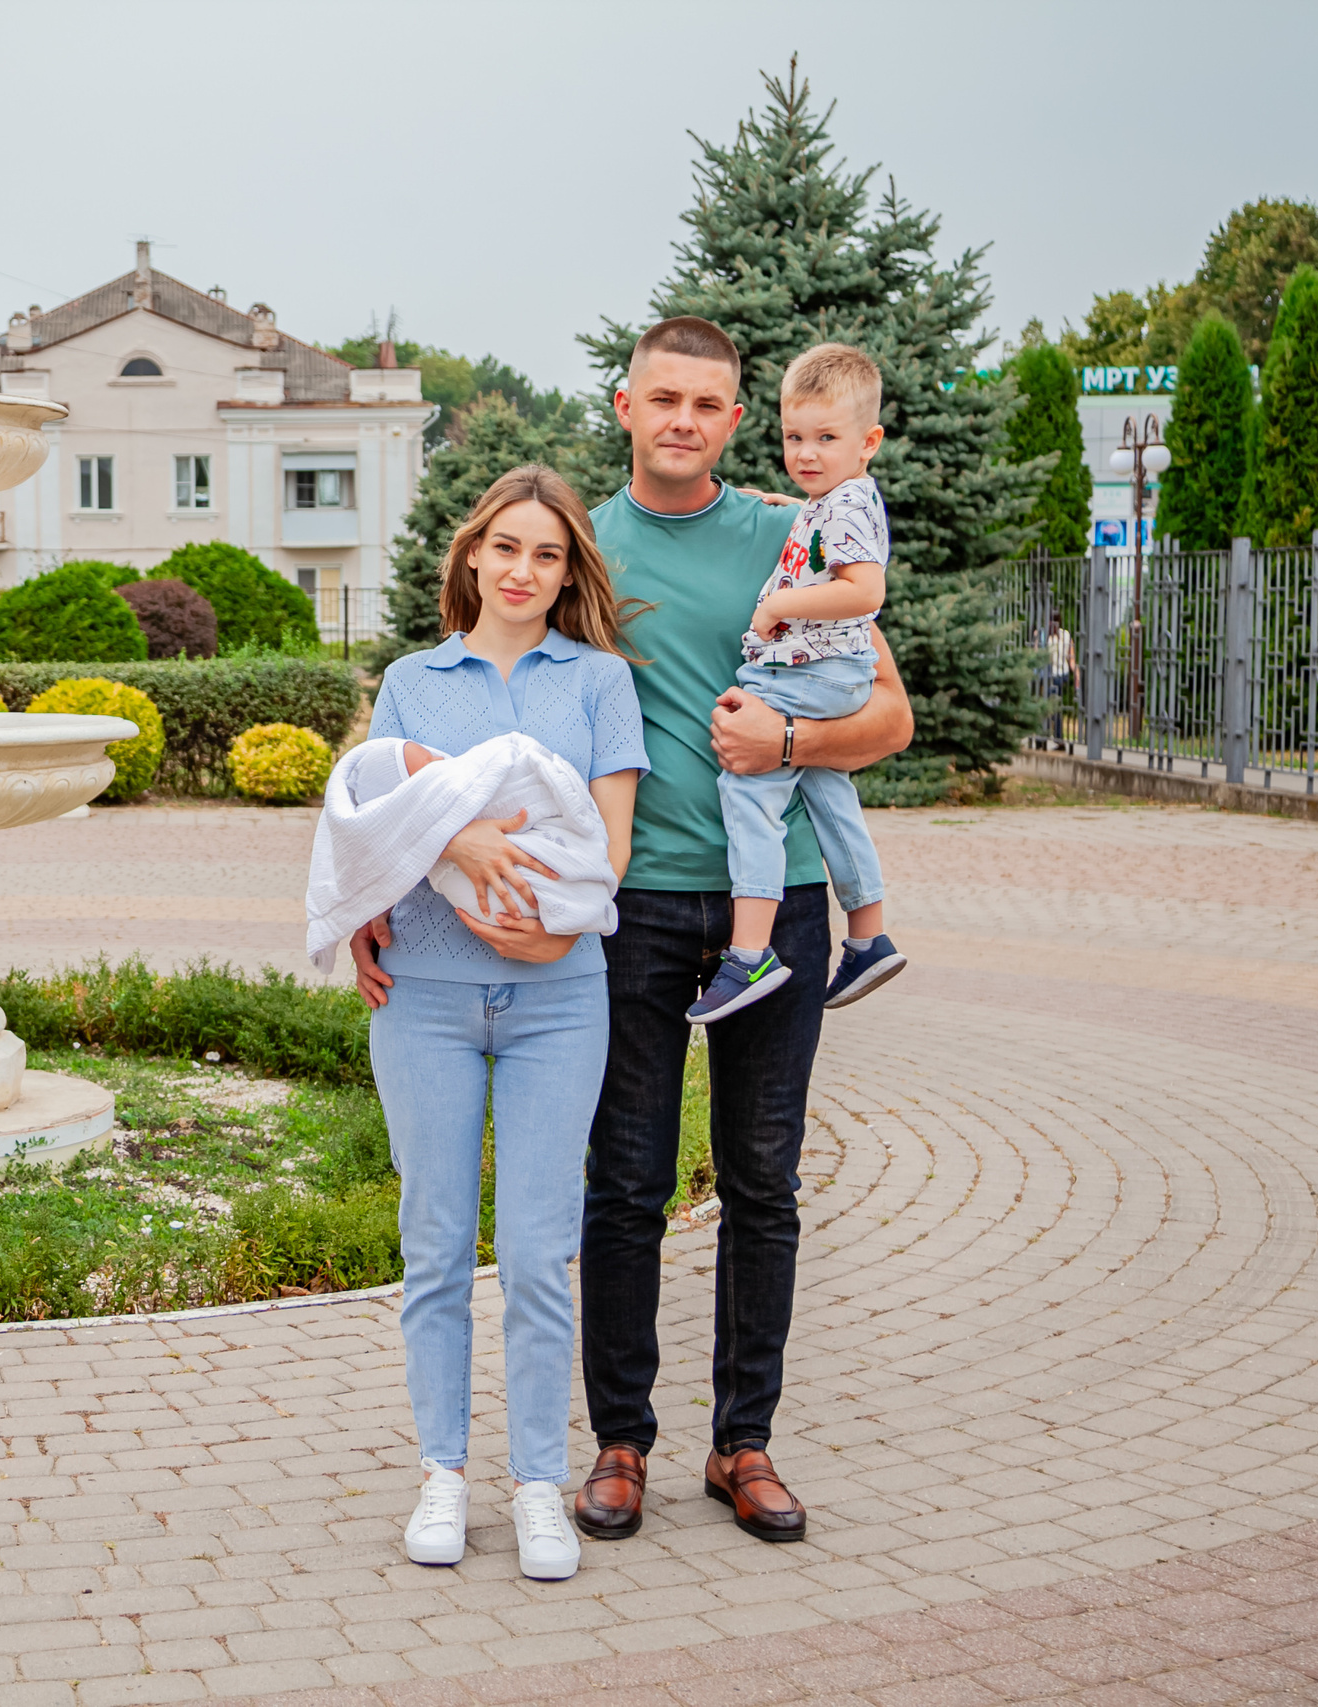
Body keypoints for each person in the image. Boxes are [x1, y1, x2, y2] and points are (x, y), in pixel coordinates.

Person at [567, 316, 913, 1547]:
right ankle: (620, 1442)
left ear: (732, 419)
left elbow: (889, 718)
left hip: (786, 904)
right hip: (637, 905)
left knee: (763, 1178)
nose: (683, 421)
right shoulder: (579, 549)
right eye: (663, 399)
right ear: (624, 405)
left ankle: (742, 1443)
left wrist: (791, 745)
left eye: (708, 405)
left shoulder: (792, 529)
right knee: (627, 1182)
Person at [344, 464, 647, 1582]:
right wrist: (453, 848)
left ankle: (532, 1486)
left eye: (548, 554)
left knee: (533, 1253)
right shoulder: (413, 682)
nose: (524, 571)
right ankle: (441, 1475)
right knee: (432, 1245)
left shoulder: (599, 683)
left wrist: (560, 934)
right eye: (506, 548)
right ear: (471, 555)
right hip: (421, 993)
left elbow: (611, 849)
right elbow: (374, 823)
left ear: (569, 571)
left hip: (561, 1000)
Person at [686, 343, 906, 1024]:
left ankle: (749, 950)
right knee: (825, 789)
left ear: (868, 442)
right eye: (794, 437)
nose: (806, 452)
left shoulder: (840, 507)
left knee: (748, 785)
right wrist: (795, 505)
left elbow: (864, 588)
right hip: (836, 674)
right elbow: (830, 534)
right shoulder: (837, 499)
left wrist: (779, 606)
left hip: (812, 672)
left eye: (826, 439)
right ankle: (869, 935)